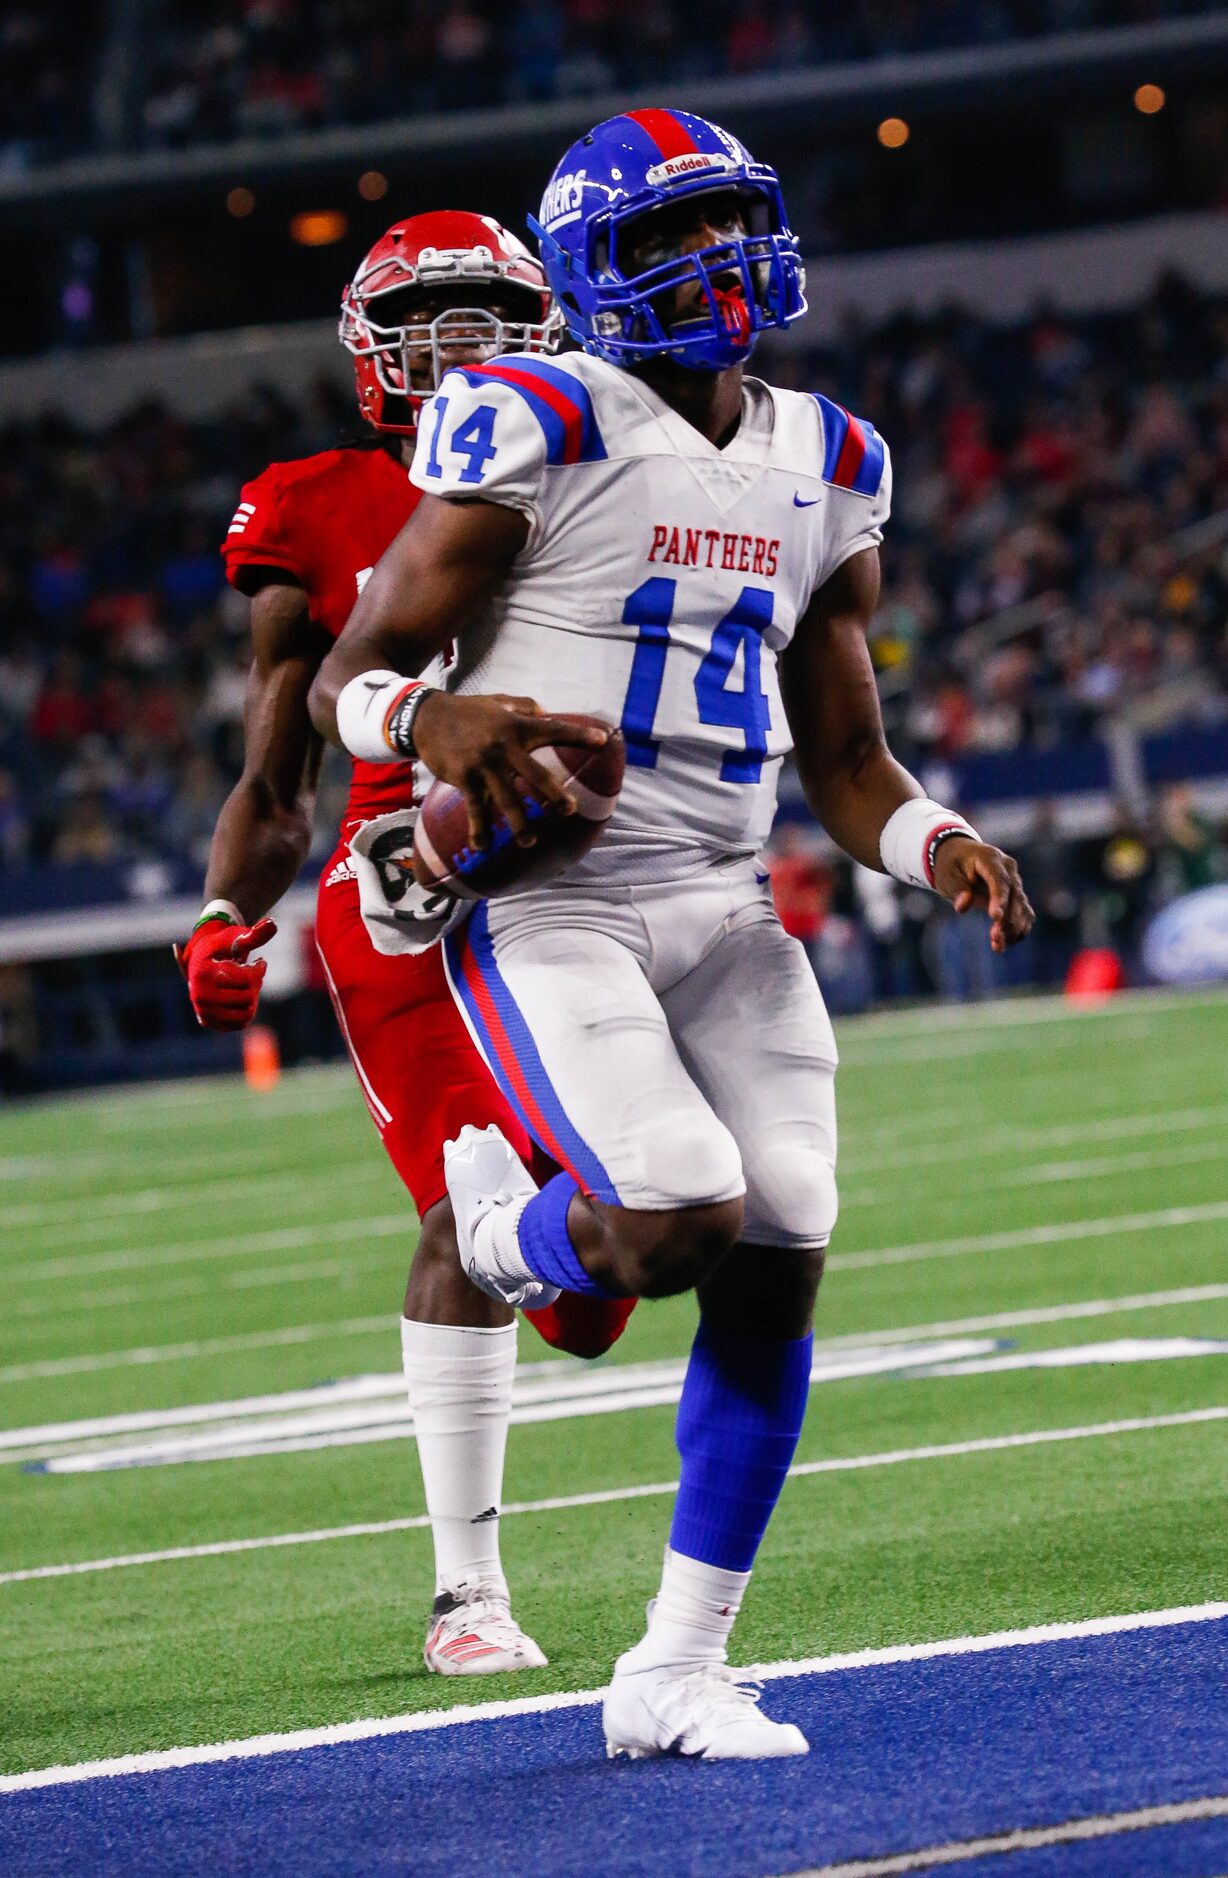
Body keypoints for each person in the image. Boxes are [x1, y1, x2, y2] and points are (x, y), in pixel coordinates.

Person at [310, 111, 1033, 1758]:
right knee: (672, 1214)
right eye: (664, 239)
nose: (711, 263)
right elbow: (360, 659)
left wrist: (936, 840)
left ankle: (675, 1667)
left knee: (782, 1242)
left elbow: (844, 758)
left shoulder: (832, 458)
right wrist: (431, 726)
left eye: (727, 224)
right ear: (587, 270)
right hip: (550, 900)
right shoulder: (535, 414)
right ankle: (500, 1242)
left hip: (726, 899)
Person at [176, 210, 636, 1679]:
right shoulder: (315, 503)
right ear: (375, 344)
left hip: (579, 877)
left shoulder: (604, 463)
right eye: (426, 320)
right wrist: (228, 907)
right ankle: (469, 1594)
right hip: (408, 901)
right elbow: (274, 761)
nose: (453, 348)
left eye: (481, 316)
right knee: (463, 1204)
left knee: (608, 1283)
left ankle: (526, 1236)